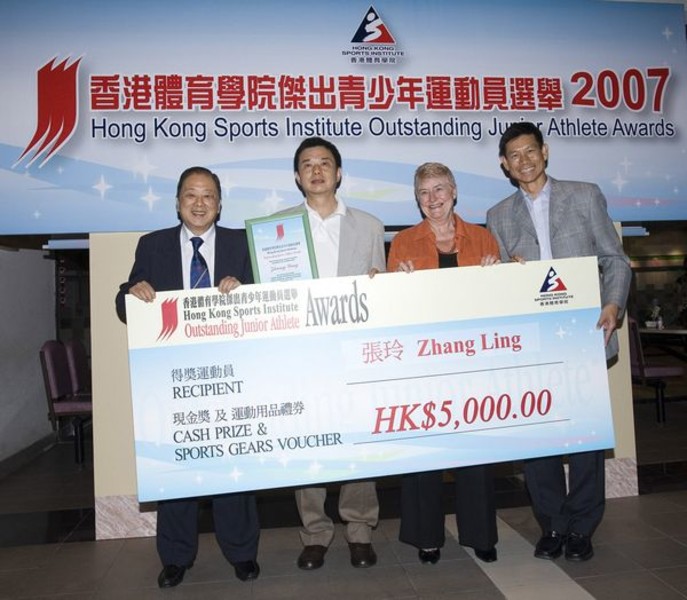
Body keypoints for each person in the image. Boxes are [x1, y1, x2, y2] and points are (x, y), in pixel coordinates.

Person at [486, 122, 632, 562]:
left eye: (531, 151)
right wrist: (502, 275)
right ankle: (552, 524)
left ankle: (583, 527)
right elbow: (496, 290)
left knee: (585, 439)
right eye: (514, 155)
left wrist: (612, 305)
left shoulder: (585, 195)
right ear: (504, 165)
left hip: (583, 335)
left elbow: (616, 260)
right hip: (532, 345)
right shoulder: (497, 216)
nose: (524, 160)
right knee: (540, 439)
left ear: (545, 152)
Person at [115, 166, 260, 588]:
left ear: (220, 203)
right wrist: (133, 293)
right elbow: (125, 302)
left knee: (235, 468)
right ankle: (176, 558)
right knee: (175, 467)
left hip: (234, 374)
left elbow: (268, 300)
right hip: (173, 379)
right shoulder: (153, 245)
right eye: (191, 195)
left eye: (208, 196)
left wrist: (246, 288)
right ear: (177, 201)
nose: (200, 203)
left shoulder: (241, 243)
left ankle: (243, 553)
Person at [275, 136, 386, 571]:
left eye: (325, 163)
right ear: (298, 176)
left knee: (359, 438)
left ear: (339, 173)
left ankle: (360, 530)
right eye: (307, 164)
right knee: (309, 440)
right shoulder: (276, 227)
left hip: (354, 351)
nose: (317, 170)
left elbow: (379, 295)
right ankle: (315, 533)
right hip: (300, 354)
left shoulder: (370, 225)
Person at [387, 162, 500, 565]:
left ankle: (481, 534)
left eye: (439, 189)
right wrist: (394, 284)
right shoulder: (402, 243)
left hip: (474, 362)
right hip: (423, 366)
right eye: (424, 192)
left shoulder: (485, 238)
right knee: (424, 453)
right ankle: (427, 537)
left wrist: (499, 277)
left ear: (454, 191)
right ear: (416, 199)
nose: (433, 199)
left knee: (477, 452)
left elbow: (501, 304)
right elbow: (393, 312)